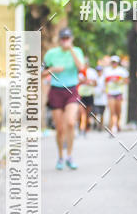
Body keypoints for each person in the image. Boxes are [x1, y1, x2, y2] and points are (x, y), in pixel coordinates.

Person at [42, 27, 84, 170]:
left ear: (71, 39)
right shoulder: (51, 54)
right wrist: (52, 70)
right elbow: (39, 73)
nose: (65, 41)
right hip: (56, 91)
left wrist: (71, 50)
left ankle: (69, 156)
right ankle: (60, 156)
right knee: (60, 128)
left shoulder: (77, 51)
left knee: (70, 123)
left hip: (72, 90)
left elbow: (81, 67)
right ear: (59, 40)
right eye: (63, 38)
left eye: (67, 38)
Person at [103, 54, 129, 135]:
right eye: (113, 62)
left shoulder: (122, 70)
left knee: (118, 111)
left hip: (119, 92)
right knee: (112, 111)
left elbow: (127, 81)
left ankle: (117, 124)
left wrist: (119, 81)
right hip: (110, 93)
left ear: (118, 63)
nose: (114, 64)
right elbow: (104, 81)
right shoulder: (107, 71)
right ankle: (111, 128)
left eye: (115, 62)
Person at [77, 57, 97, 135]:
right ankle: (81, 128)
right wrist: (82, 81)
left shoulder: (92, 71)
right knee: (82, 113)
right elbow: (76, 81)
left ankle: (86, 127)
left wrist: (89, 82)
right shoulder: (79, 71)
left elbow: (95, 83)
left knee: (87, 113)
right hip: (80, 95)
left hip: (89, 94)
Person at [92, 63, 107, 130]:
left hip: (103, 99)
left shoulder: (104, 78)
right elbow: (93, 85)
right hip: (96, 98)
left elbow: (106, 86)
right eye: (98, 71)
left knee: (102, 113)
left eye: (100, 70)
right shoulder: (95, 78)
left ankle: (100, 126)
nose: (99, 72)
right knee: (95, 112)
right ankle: (95, 123)